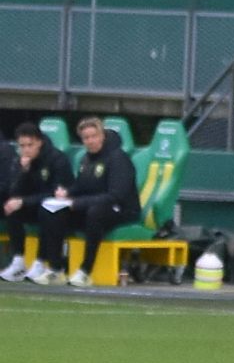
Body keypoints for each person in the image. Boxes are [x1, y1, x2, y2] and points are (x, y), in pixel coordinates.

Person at [35, 116, 139, 288]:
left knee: (95, 212)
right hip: (93, 206)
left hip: (122, 211)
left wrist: (78, 203)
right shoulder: (86, 159)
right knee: (50, 210)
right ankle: (56, 268)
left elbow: (116, 196)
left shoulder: (118, 158)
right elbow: (83, 186)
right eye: (86, 138)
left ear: (102, 135)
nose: (90, 141)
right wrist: (67, 193)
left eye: (94, 136)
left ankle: (85, 271)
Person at [0, 122, 75, 284]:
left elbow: (55, 194)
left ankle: (40, 261)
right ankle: (18, 260)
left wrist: (24, 201)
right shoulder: (21, 161)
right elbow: (14, 192)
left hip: (60, 210)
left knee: (46, 209)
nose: (26, 149)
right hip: (33, 204)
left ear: (39, 142)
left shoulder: (57, 159)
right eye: (22, 146)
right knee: (11, 206)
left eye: (30, 145)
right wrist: (23, 172)